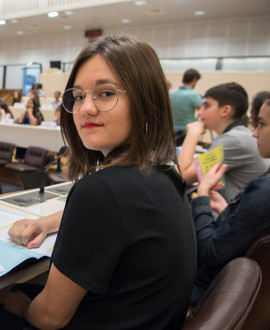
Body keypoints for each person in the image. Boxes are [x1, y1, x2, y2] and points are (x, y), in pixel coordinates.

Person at [1, 34, 196, 329]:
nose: (85, 108)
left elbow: (49, 317)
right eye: (78, 96)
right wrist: (46, 223)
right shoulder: (164, 174)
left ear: (145, 100)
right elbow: (121, 216)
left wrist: (20, 306)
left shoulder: (104, 191)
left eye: (105, 93)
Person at [190, 98, 270, 306]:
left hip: (207, 288)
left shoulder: (265, 191)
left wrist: (203, 196)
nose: (255, 133)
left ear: (225, 109)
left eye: (261, 123)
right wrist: (227, 210)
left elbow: (209, 253)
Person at [178, 82, 269, 202]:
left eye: (206, 105)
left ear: (225, 110)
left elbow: (181, 177)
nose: (200, 112)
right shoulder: (237, 135)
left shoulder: (234, 140)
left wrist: (192, 133)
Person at [169, 68, 202, 145]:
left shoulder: (170, 93)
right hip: (186, 133)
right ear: (195, 80)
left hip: (171, 132)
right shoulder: (194, 95)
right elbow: (202, 112)